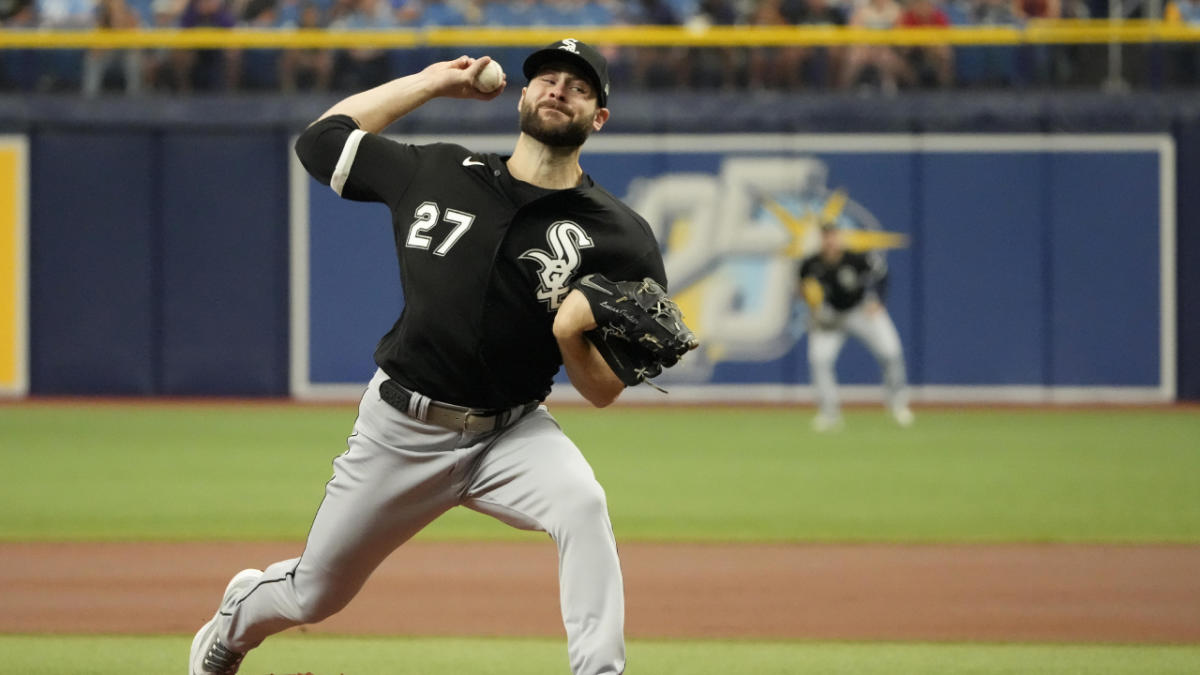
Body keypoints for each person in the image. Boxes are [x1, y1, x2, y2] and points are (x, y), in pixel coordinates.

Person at [190, 39, 671, 675]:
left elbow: (604, 389)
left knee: (583, 505)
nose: (559, 89)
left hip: (511, 432)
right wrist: (430, 82)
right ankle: (232, 626)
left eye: (578, 87)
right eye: (547, 79)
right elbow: (321, 141)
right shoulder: (440, 170)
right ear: (523, 96)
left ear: (597, 118)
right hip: (401, 428)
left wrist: (569, 335)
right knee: (315, 593)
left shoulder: (620, 234)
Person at [799, 224, 913, 431]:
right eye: (826, 237)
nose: (830, 241)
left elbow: (882, 273)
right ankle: (829, 413)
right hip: (830, 315)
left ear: (839, 238)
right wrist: (811, 304)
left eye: (833, 237)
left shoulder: (856, 259)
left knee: (891, 353)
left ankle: (898, 405)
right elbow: (802, 287)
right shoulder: (811, 263)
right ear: (821, 240)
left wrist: (878, 299)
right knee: (819, 360)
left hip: (861, 311)